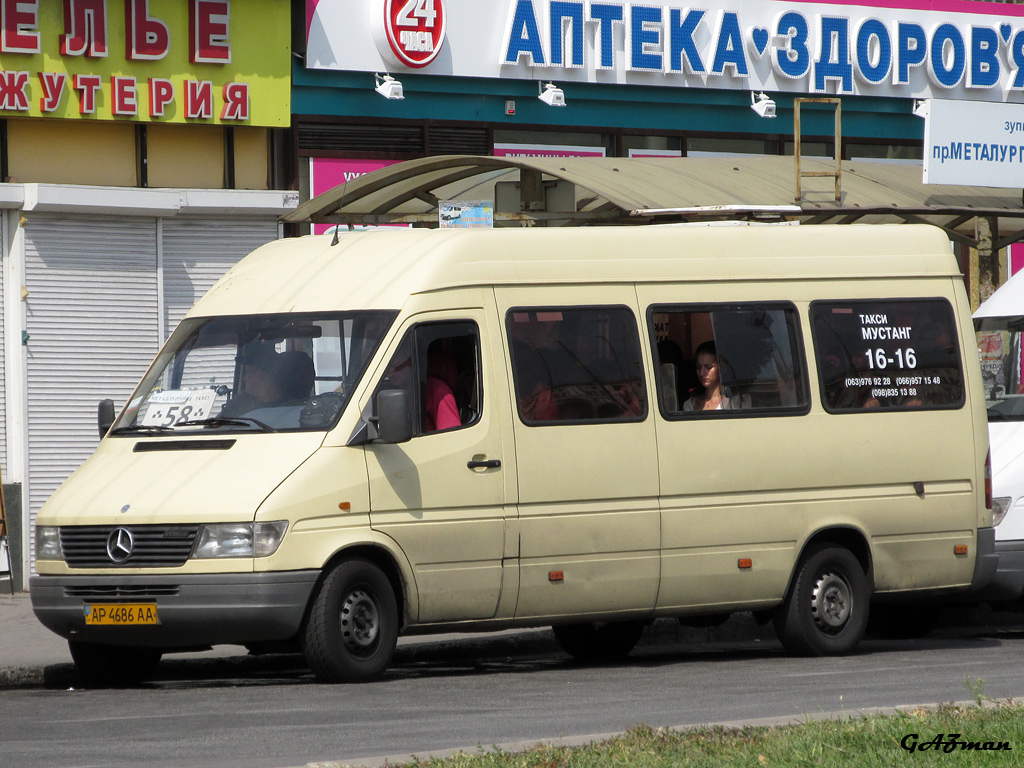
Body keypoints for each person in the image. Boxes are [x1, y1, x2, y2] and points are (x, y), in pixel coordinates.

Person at [683, 340, 737, 411]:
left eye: (708, 367)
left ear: (720, 368)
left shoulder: (731, 403)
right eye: (698, 368)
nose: (702, 373)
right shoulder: (689, 405)